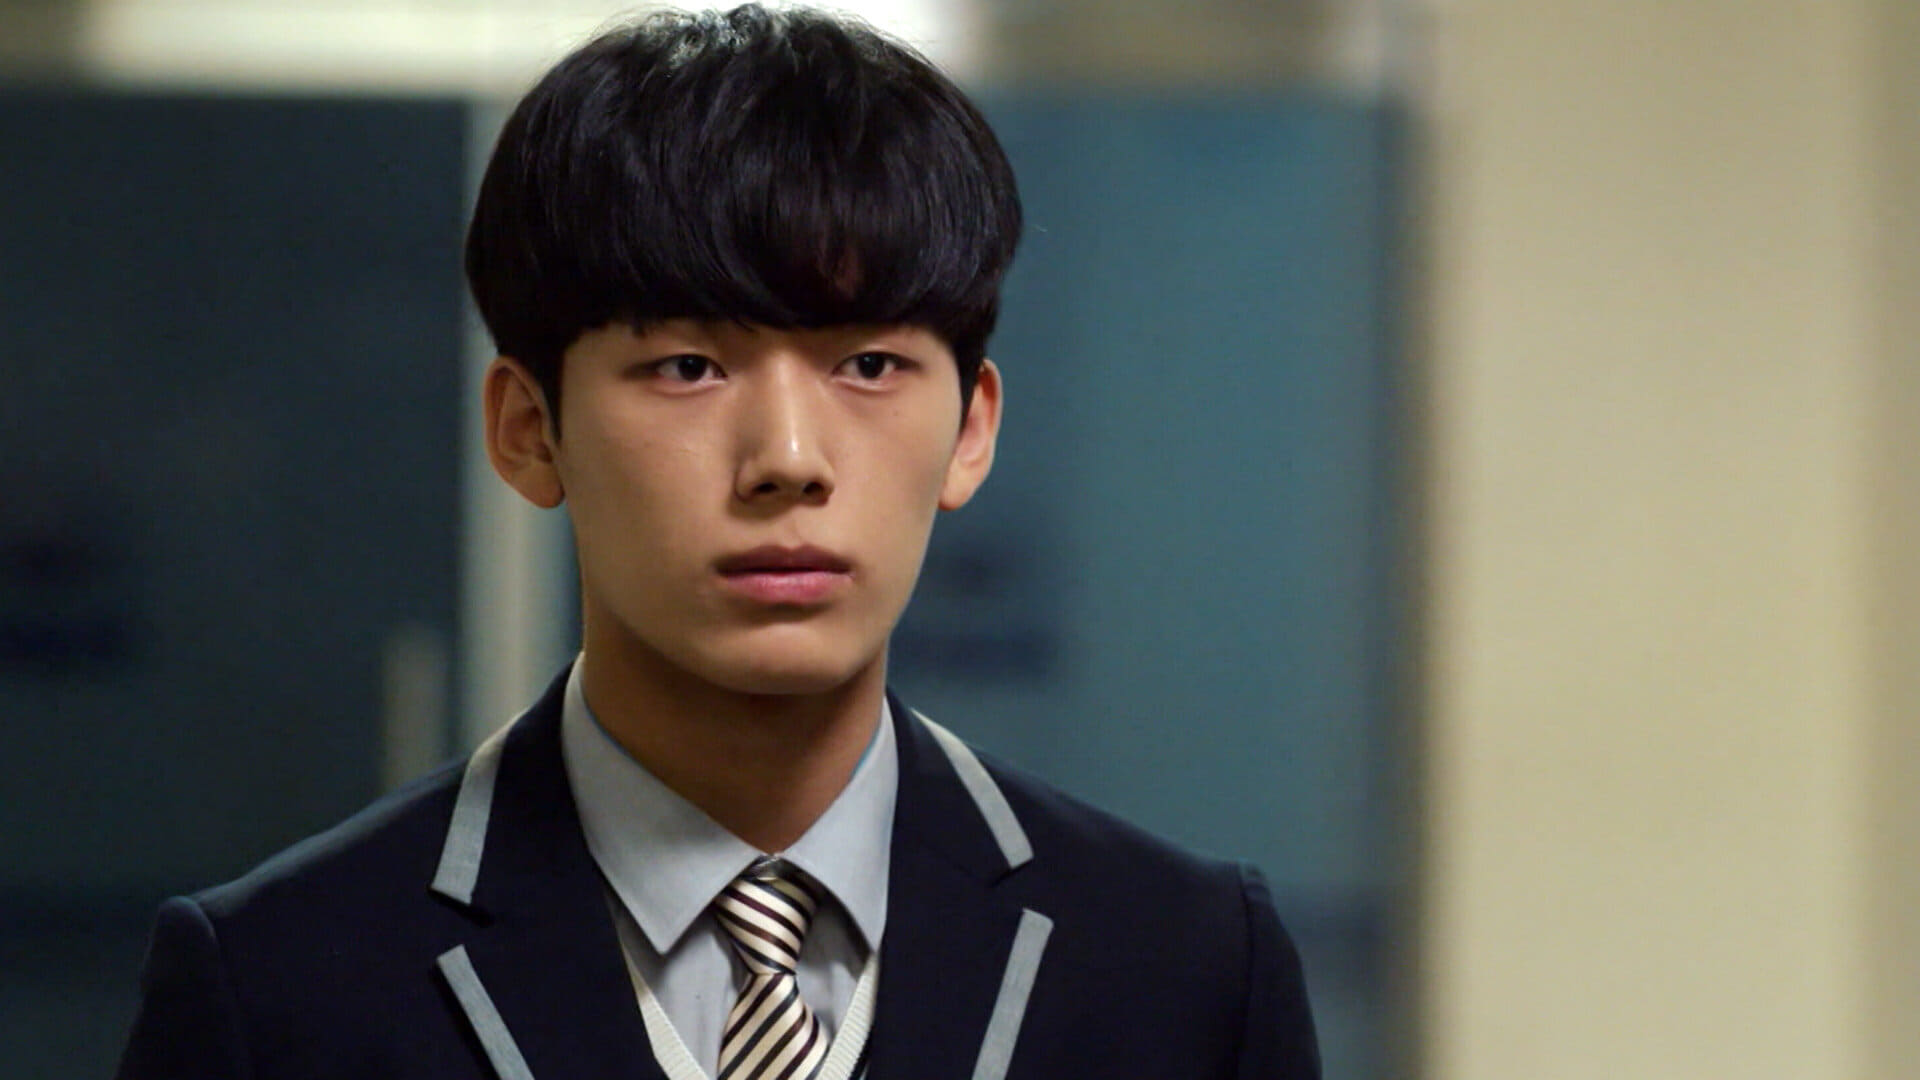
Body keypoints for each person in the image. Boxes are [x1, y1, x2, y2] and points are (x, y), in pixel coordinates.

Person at [115, 6, 1320, 1078]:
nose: (788, 457)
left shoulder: (1183, 970)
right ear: (529, 430)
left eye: (869, 364)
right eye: (688, 366)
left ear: (971, 430)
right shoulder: (283, 990)